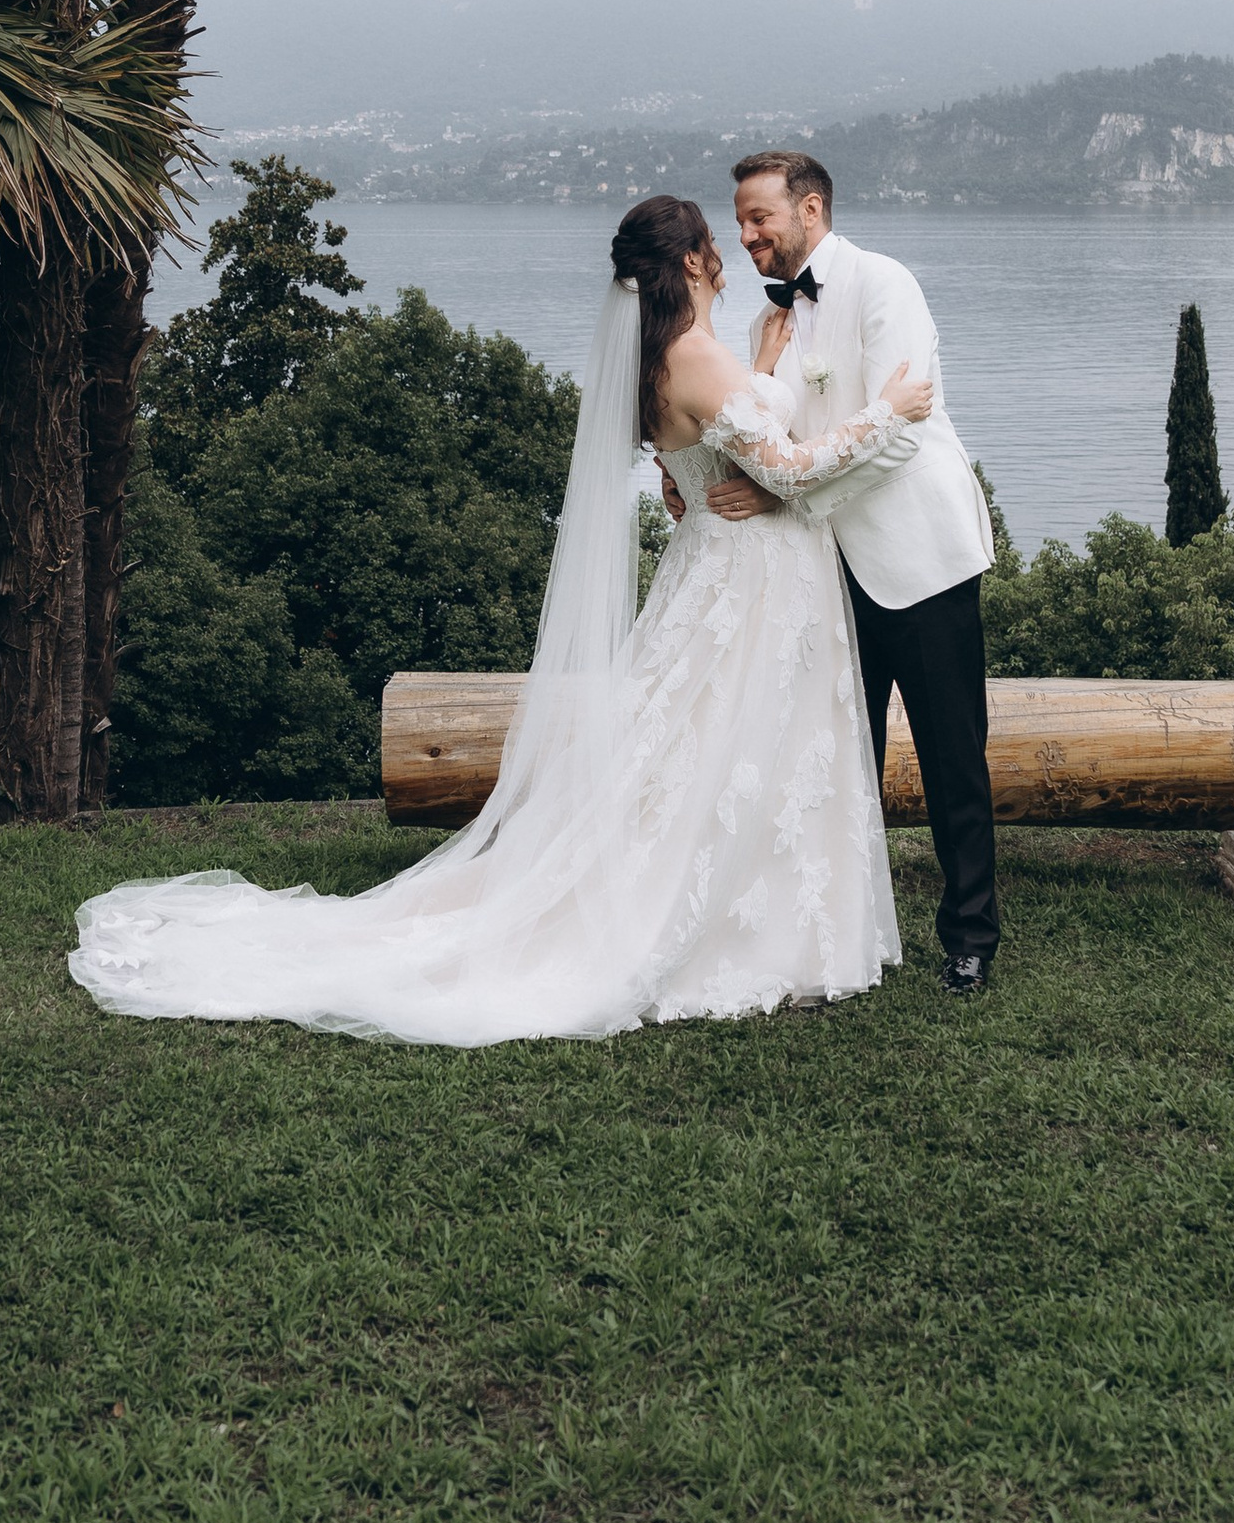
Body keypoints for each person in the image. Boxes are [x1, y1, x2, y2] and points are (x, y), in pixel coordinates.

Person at [65, 199, 931, 1045]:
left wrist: (769, 377)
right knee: (722, 748)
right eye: (717, 239)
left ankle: (767, 918)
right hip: (748, 583)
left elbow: (702, 462)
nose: (730, 251)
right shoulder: (699, 356)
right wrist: (887, 411)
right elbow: (781, 470)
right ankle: (735, 929)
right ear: (697, 261)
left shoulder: (656, 358)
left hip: (721, 571)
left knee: (710, 749)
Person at [689, 151, 1002, 996]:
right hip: (823, 575)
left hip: (920, 558)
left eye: (760, 219)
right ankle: (840, 932)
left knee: (951, 756)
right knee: (833, 755)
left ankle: (971, 936)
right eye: (740, 220)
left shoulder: (885, 285)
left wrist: (786, 494)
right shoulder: (773, 323)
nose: (746, 235)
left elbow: (898, 436)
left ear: (811, 211)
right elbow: (767, 429)